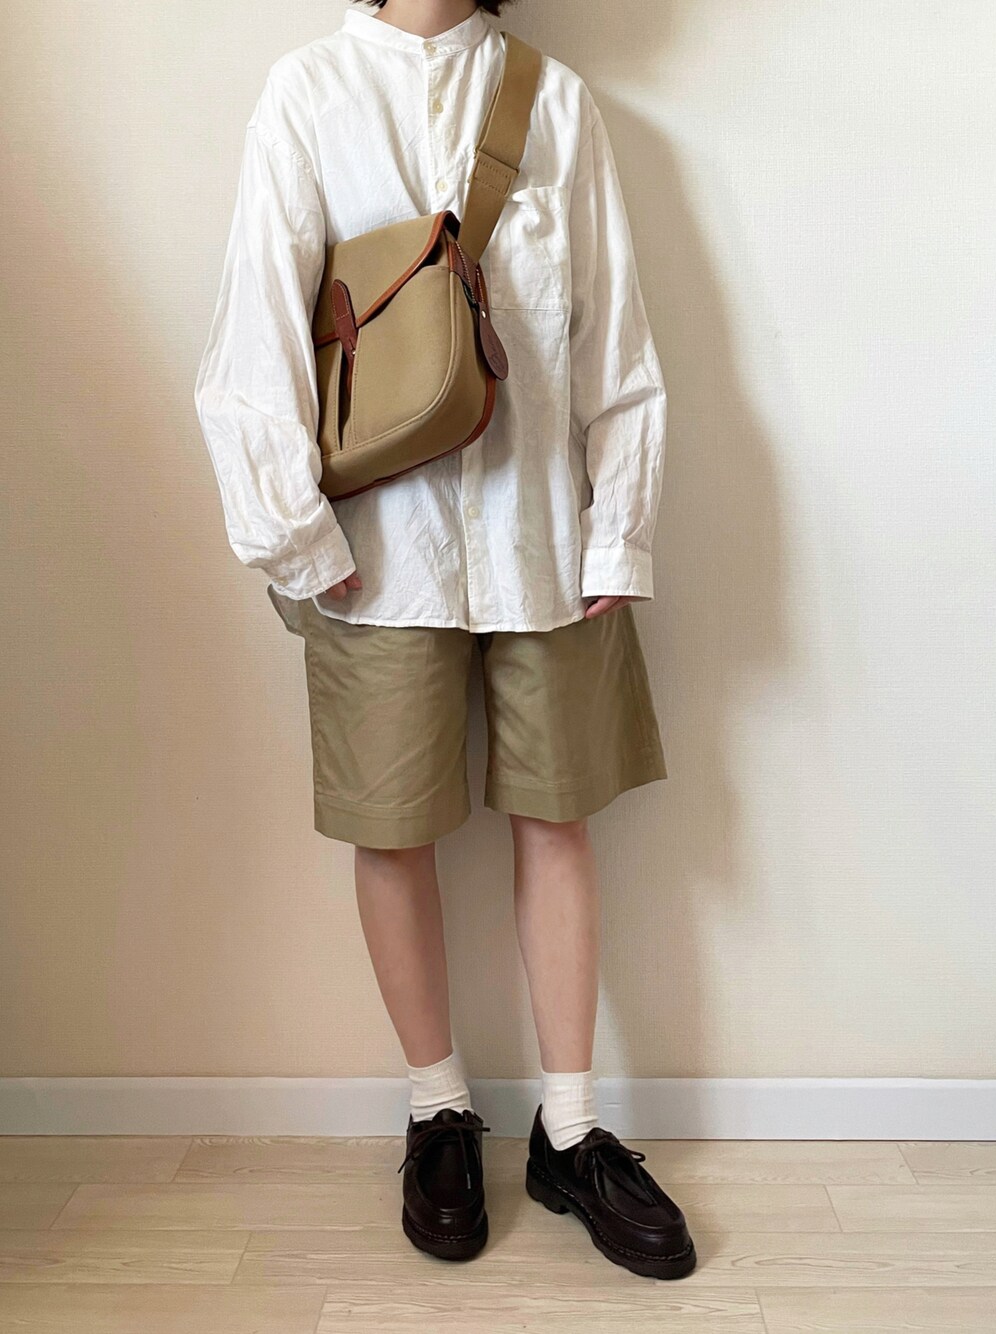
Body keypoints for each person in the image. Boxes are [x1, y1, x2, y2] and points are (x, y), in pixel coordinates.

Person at [194, 0, 696, 1281]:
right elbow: (256, 335)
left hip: (546, 539)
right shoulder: (309, 92)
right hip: (373, 550)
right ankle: (436, 1108)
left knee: (558, 816)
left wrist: (617, 534)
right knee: (393, 824)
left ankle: (570, 1130)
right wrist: (296, 537)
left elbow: (614, 340)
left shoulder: (555, 99)